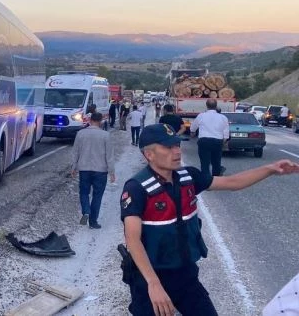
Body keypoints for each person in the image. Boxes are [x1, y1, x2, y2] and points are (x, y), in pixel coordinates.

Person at [120, 123, 299, 316]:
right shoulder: (136, 188)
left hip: (186, 276)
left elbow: (232, 182)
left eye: (177, 145)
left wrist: (270, 169)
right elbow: (133, 239)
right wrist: (153, 284)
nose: (177, 151)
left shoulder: (188, 176)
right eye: (168, 147)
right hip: (150, 278)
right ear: (149, 154)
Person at [71, 112, 115, 229]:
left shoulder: (81, 133)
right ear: (100, 121)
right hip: (101, 170)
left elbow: (75, 152)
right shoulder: (105, 135)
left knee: (84, 192)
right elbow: (109, 155)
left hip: (84, 169)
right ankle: (93, 222)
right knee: (97, 196)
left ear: (90, 120)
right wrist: (112, 172)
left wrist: (74, 167)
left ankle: (86, 210)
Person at [190, 99, 229, 177]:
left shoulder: (201, 116)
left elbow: (193, 128)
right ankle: (216, 178)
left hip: (204, 141)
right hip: (217, 141)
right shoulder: (223, 117)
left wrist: (192, 133)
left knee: (204, 163)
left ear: (206, 106)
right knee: (216, 162)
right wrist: (223, 143)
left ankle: (206, 180)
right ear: (216, 106)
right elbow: (226, 134)